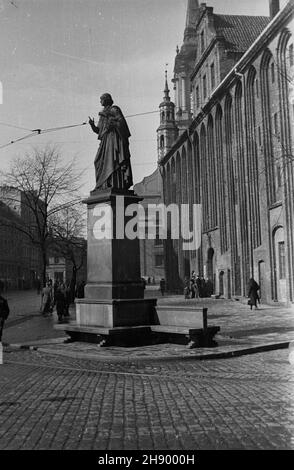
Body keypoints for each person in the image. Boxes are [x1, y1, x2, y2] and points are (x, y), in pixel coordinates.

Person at [89, 93, 133, 190]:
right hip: (105, 141)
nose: (100, 101)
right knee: (98, 161)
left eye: (101, 99)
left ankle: (115, 184)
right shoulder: (102, 114)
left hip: (114, 140)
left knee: (113, 160)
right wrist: (92, 125)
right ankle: (103, 185)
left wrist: (112, 123)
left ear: (106, 100)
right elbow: (99, 130)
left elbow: (122, 123)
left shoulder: (114, 109)